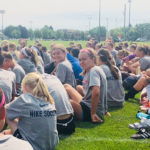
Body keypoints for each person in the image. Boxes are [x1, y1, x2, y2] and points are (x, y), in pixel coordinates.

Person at [5, 72, 59, 150]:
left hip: (31, 146)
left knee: (6, 112)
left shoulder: (25, 99)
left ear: (25, 86)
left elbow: (5, 109)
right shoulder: (48, 99)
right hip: (51, 145)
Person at [64, 48, 107, 123]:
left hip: (90, 111)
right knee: (67, 86)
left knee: (67, 102)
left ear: (93, 59)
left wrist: (93, 113)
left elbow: (96, 92)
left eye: (84, 59)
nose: (81, 62)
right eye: (80, 60)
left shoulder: (94, 71)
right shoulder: (90, 70)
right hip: (87, 104)